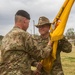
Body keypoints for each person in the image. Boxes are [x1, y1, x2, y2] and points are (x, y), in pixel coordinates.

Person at [0, 10, 53, 75]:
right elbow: (41, 54)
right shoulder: (24, 35)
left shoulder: (5, 38)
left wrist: (31, 72)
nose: (28, 25)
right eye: (29, 23)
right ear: (25, 21)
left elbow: (12, 62)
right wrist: (49, 45)